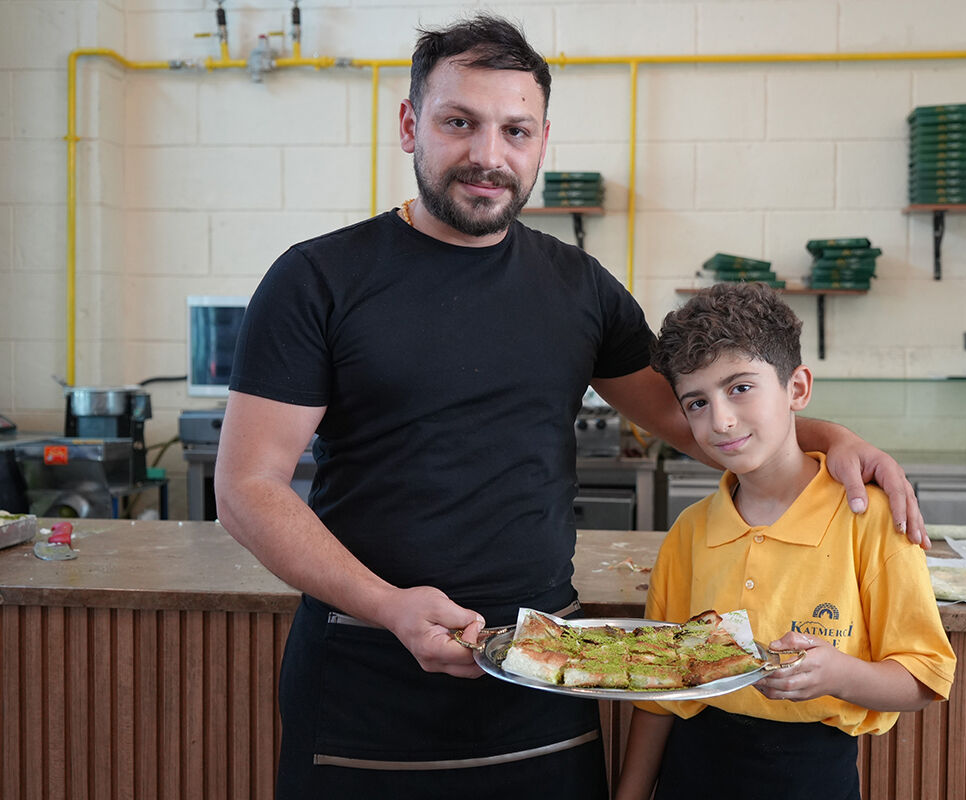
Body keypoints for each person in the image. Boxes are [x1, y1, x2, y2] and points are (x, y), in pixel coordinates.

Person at [214, 13, 929, 798]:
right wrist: (387, 607)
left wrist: (832, 437)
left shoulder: (578, 287)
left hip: (544, 672)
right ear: (411, 125)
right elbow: (247, 487)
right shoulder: (317, 280)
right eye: (460, 123)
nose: (489, 155)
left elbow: (691, 418)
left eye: (515, 131)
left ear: (542, 143)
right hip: (365, 673)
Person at [614, 283, 956, 800]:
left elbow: (925, 677)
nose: (720, 420)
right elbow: (658, 694)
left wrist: (840, 674)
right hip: (692, 769)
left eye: (740, 388)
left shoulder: (868, 517)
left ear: (796, 388)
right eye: (697, 402)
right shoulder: (689, 531)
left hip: (812, 777)